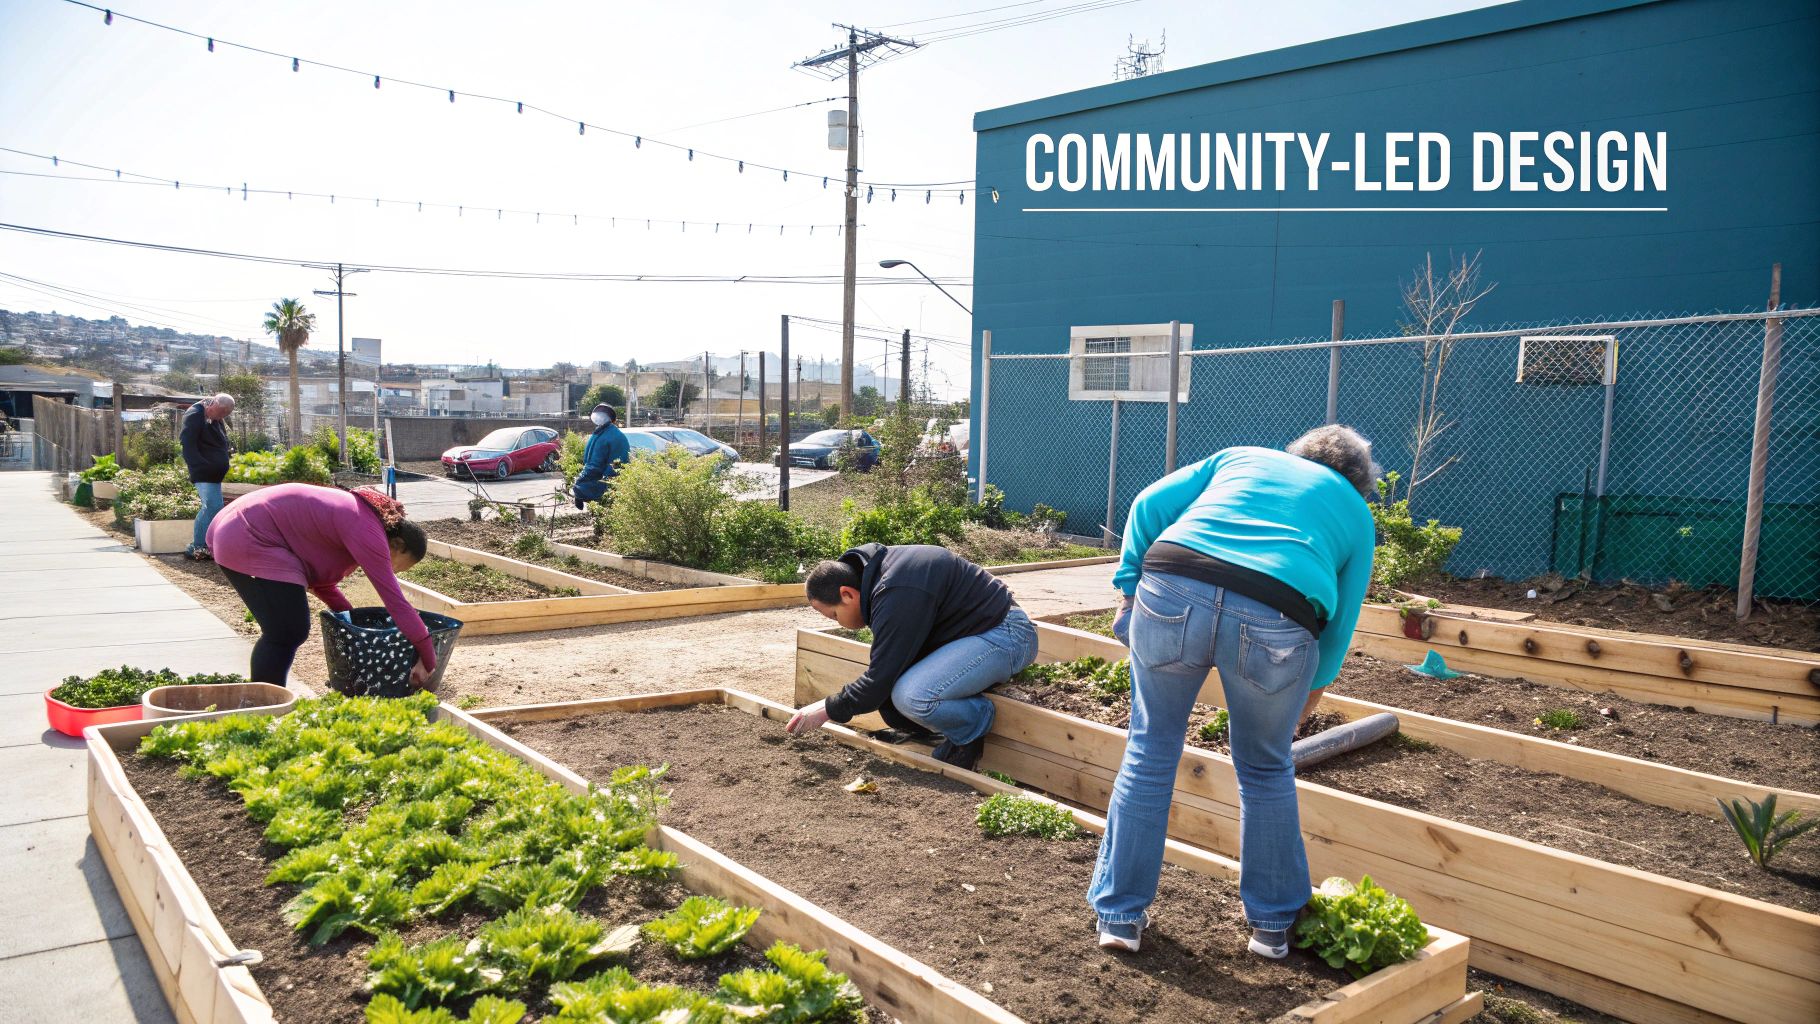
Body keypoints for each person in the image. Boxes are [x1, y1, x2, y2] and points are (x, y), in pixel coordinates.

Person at [1088, 425, 1378, 958]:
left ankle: (1120, 918)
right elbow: (1338, 632)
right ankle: (1271, 929)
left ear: (1295, 454)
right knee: (1266, 768)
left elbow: (1147, 504)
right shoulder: (1357, 515)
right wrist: (1302, 707)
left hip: (1173, 582)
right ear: (1358, 482)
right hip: (1278, 613)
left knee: (1150, 748)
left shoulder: (1242, 456)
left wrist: (1128, 593)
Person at [785, 543, 1038, 769]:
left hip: (1007, 635)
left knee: (913, 696)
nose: (838, 623)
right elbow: (885, 672)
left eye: (833, 616)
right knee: (893, 702)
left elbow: (879, 679)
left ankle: (974, 720)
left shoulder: (898, 591)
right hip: (972, 634)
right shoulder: (878, 579)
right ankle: (947, 728)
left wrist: (827, 709)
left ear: (847, 594)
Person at [206, 483, 436, 688]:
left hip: (235, 527)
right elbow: (395, 602)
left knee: (285, 631)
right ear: (398, 545)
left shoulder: (360, 523)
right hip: (249, 534)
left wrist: (350, 620)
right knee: (286, 631)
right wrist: (429, 657)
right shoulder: (368, 532)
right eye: (401, 566)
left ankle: (265, 700)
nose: (394, 571)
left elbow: (320, 583)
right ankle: (265, 705)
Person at [179, 392, 234, 561]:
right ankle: (197, 546)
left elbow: (220, 439)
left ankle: (205, 545)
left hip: (214, 473)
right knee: (211, 506)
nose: (221, 418)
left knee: (214, 507)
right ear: (212, 405)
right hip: (204, 472)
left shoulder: (214, 415)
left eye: (224, 415)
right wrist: (201, 465)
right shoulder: (195, 414)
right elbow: (187, 444)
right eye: (220, 414)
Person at [573, 403, 630, 509]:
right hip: (593, 471)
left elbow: (617, 463)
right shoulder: (599, 433)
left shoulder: (616, 436)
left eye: (602, 416)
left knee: (605, 505)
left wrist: (607, 480)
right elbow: (590, 459)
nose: (599, 418)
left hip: (604, 477)